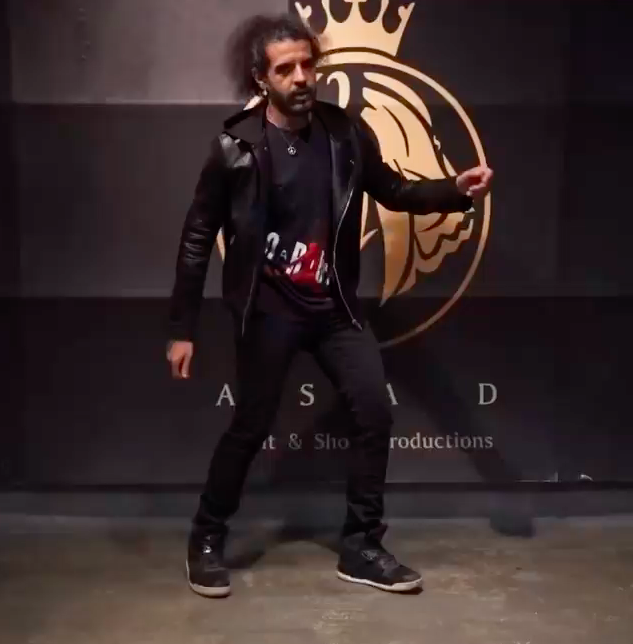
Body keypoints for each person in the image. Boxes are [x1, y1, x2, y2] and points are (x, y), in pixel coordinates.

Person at [166, 12, 493, 598]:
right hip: (268, 311)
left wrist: (453, 190)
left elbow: (393, 189)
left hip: (334, 306)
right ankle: (206, 538)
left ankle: (362, 546)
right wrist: (182, 327)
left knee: (374, 412)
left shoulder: (344, 133)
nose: (300, 77)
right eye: (284, 69)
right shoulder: (235, 148)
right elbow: (196, 239)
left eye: (307, 64)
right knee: (250, 426)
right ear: (261, 78)